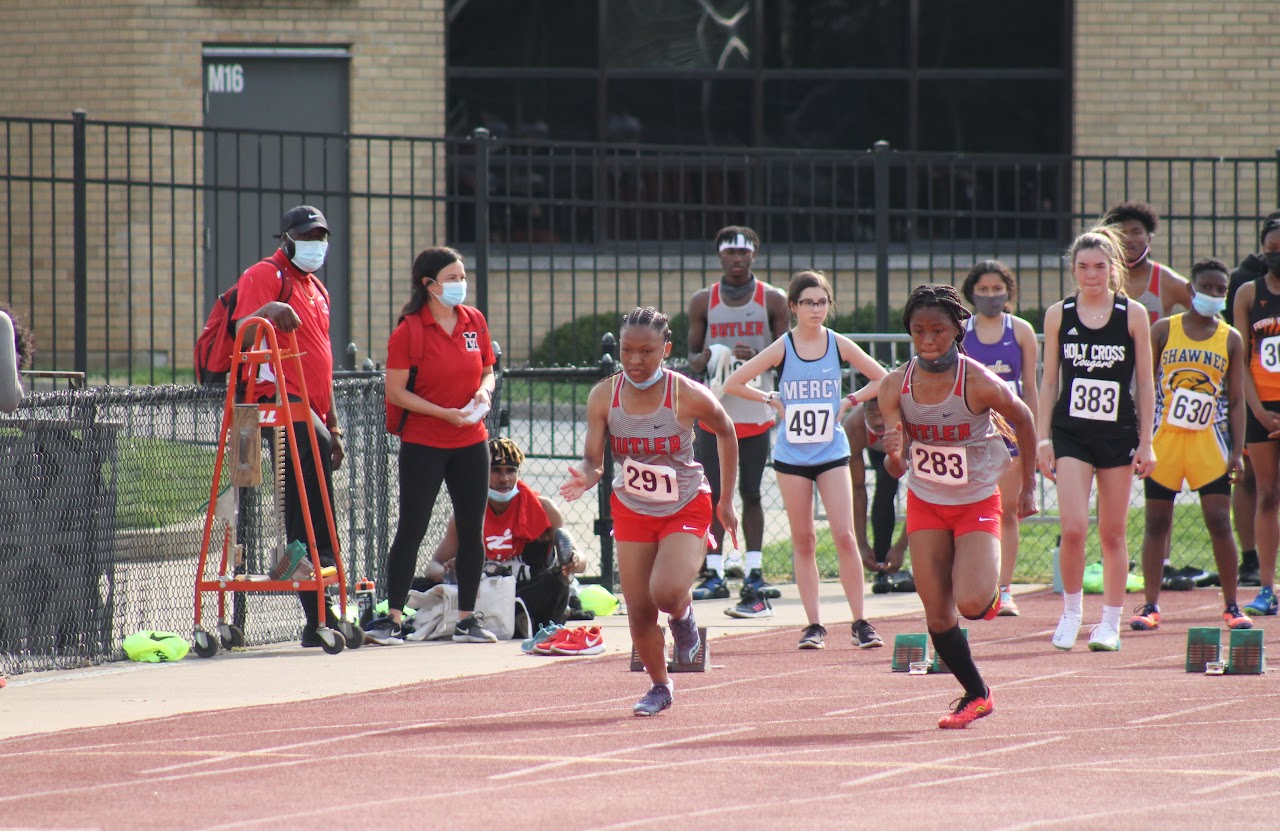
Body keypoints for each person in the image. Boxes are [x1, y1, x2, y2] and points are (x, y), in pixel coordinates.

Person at [561, 307, 739, 717]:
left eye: (646, 351)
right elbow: (594, 459)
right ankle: (660, 686)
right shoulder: (605, 395)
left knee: (667, 592)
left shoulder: (685, 394)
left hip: (685, 503)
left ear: (666, 349)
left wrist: (726, 500)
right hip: (633, 507)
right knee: (639, 607)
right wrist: (586, 477)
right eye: (627, 350)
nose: (636, 361)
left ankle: (684, 614)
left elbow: (726, 430)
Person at [877, 284, 1038, 728]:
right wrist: (894, 453)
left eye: (938, 331)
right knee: (936, 611)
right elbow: (895, 468)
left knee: (970, 603)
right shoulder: (895, 386)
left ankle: (981, 586)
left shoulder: (979, 382)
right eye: (918, 331)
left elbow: (1022, 418)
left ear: (956, 330)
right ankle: (977, 694)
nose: (928, 341)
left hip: (976, 498)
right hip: (927, 500)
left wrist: (1026, 489)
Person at [722, 270, 888, 649]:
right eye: (808, 302)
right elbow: (734, 384)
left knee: (845, 535)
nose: (816, 309)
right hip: (792, 454)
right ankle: (814, 625)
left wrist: (849, 402)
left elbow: (883, 378)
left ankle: (861, 622)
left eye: (822, 302)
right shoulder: (784, 346)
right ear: (793, 307)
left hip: (831, 451)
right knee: (804, 539)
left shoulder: (838, 344)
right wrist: (772, 400)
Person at [1037, 224, 1156, 652]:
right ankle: (1071, 614)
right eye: (1083, 266)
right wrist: (1042, 439)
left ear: (1112, 269)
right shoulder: (1059, 315)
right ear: (1073, 270)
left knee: (1112, 531)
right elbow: (1049, 382)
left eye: (1099, 267)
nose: (1091, 274)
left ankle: (1110, 621)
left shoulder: (1132, 315)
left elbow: (1145, 384)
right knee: (1072, 528)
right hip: (1071, 432)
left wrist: (1147, 441)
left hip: (1118, 433)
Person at [232, 205, 346, 648]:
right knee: (306, 490)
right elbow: (241, 333)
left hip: (311, 406)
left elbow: (326, 361)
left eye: (321, 235)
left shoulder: (316, 286)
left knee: (314, 492)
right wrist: (269, 307)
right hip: (276, 398)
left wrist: (334, 427)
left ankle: (317, 599)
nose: (317, 243)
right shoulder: (266, 274)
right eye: (307, 235)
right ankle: (316, 606)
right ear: (286, 239)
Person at [381, 247, 499, 643]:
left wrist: (483, 393)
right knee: (412, 526)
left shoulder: (474, 322)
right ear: (428, 285)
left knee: (472, 527)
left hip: (471, 438)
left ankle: (467, 617)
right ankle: (393, 616)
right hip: (425, 440)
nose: (460, 285)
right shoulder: (410, 330)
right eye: (451, 279)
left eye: (462, 277)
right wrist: (442, 412)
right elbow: (396, 392)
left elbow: (487, 371)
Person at [1131, 259, 1249, 632]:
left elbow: (1234, 400)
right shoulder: (1164, 330)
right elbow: (1143, 387)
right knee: (1156, 522)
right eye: (1207, 288)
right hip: (1164, 440)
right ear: (1191, 291)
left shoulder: (1230, 338)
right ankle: (1150, 605)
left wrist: (1237, 451)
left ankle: (1231, 604)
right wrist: (1140, 440)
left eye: (1220, 289)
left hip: (1207, 443)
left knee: (1218, 521)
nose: (1213, 294)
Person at [685, 226, 789, 602]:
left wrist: (753, 360)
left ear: (754, 255)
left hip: (754, 408)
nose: (737, 259)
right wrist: (713, 355)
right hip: (715, 411)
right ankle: (713, 572)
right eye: (730, 252)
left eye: (744, 253)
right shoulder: (703, 300)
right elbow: (692, 356)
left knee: (750, 492)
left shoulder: (773, 299)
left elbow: (786, 355)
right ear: (720, 256)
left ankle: (754, 571)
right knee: (711, 492)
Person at [408, 437, 585, 641]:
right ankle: (511, 622)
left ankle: (524, 619)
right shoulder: (467, 512)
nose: (504, 479)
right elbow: (432, 566)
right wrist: (451, 574)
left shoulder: (543, 508)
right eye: (496, 470)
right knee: (418, 586)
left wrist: (574, 561)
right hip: (484, 594)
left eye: (510, 470)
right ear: (482, 471)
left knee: (556, 583)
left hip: (526, 592)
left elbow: (579, 558)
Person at [960, 260, 1040, 616]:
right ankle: (971, 584)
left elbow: (1032, 390)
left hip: (1009, 436)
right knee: (966, 510)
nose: (991, 296)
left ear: (1008, 292)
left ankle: (1004, 589)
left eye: (997, 289)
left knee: (1007, 511)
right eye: (984, 289)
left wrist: (1034, 437)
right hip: (972, 435)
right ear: (971, 293)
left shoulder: (1020, 331)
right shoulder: (962, 331)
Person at [1225, 212, 1280, 589]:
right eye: (1271, 249)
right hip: (1262, 408)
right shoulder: (1248, 293)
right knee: (1267, 492)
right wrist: (1258, 410)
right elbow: (1240, 360)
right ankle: (1264, 585)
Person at [841, 397, 911, 593]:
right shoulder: (854, 427)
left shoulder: (910, 423)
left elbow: (920, 491)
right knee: (883, 494)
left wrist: (900, 547)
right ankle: (882, 567)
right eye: (872, 415)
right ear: (864, 413)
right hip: (878, 450)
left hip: (902, 446)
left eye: (883, 415)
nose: (879, 421)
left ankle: (916, 564)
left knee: (894, 490)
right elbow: (857, 489)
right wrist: (861, 545)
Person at [1104, 201, 1192, 322]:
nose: (1128, 239)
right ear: (1111, 238)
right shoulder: (1102, 277)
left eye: (1136, 232)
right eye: (1121, 233)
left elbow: (1213, 318)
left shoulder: (1166, 280)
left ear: (1149, 238)